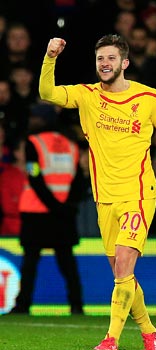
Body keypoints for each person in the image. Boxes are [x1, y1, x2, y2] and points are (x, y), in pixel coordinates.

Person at [39, 34, 156, 350]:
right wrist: (50, 57)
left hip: (139, 193)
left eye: (110, 58)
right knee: (124, 275)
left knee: (123, 267)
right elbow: (47, 92)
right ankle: (150, 332)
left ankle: (111, 340)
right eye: (100, 59)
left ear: (124, 63)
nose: (105, 64)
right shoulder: (86, 96)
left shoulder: (150, 99)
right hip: (104, 197)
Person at [10, 103, 84, 315]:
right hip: (63, 213)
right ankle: (76, 305)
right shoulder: (71, 144)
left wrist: (54, 206)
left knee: (31, 262)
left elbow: (34, 177)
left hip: (36, 211)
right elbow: (79, 178)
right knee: (67, 263)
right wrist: (68, 206)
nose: (32, 120)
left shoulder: (33, 142)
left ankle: (23, 305)